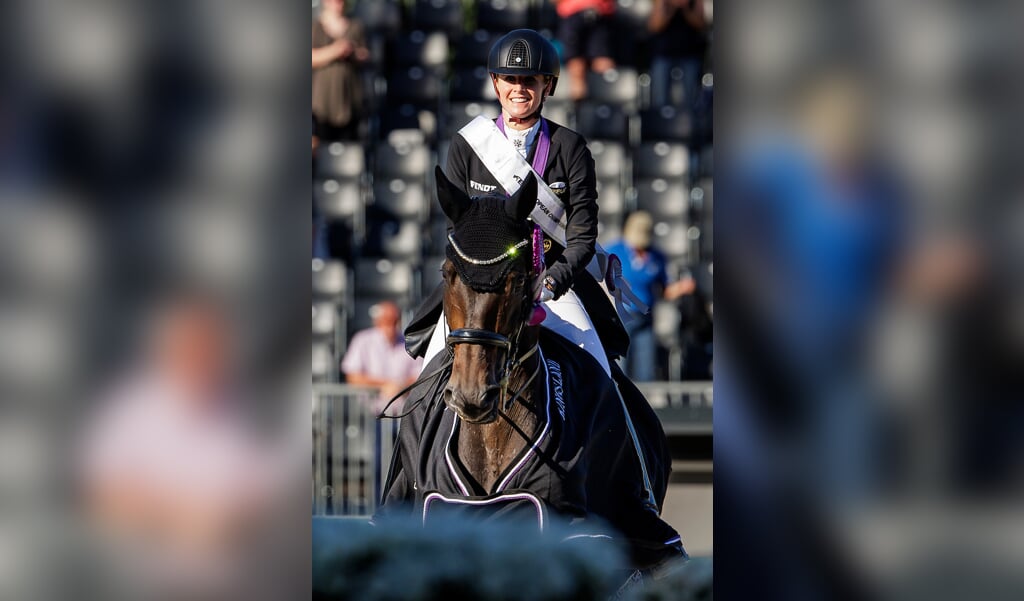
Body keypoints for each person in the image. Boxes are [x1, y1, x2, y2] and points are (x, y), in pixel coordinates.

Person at [405, 28, 629, 376]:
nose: (519, 89)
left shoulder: (570, 148)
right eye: (509, 79)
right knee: (429, 374)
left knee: (598, 367)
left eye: (529, 80)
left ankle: (628, 427)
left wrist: (553, 280)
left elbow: (583, 235)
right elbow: (459, 231)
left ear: (547, 86)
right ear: (496, 84)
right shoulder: (468, 145)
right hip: (483, 285)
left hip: (550, 283)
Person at [605, 211, 696, 381]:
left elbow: (665, 291)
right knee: (622, 365)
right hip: (622, 316)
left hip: (646, 318)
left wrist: (681, 288)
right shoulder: (614, 250)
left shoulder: (657, 257)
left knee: (645, 369)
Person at [341, 301, 423, 414]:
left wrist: (402, 387)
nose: (390, 326)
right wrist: (384, 385)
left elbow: (419, 375)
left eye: (394, 321)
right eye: (385, 321)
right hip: (368, 414)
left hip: (402, 414)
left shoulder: (409, 342)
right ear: (377, 322)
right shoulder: (362, 340)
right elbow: (353, 377)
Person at [312, 0, 369, 141]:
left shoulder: (355, 26)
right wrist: (335, 50)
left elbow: (365, 55)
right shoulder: (315, 27)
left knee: (349, 145)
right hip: (323, 99)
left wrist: (352, 51)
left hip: (349, 96)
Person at [647, 0, 708, 111]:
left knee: (690, 100)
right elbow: (654, 26)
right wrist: (672, 7)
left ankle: (690, 126)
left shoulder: (695, 2)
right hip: (664, 54)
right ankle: (662, 126)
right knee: (660, 100)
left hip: (690, 53)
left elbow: (701, 25)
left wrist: (685, 8)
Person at [554, 0, 617, 100]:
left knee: (603, 66)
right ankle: (578, 109)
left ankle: (603, 110)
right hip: (572, 15)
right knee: (576, 67)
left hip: (601, 15)